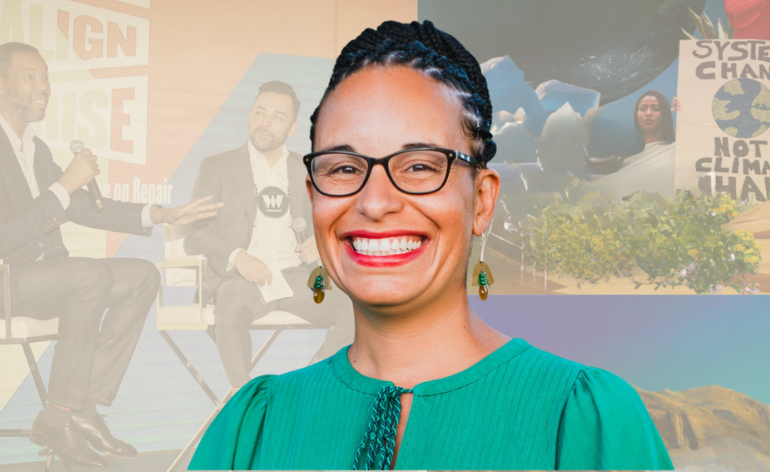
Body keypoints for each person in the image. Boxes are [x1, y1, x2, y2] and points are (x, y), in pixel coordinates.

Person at [188, 21, 673, 470]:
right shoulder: (252, 429)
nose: (375, 202)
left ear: (482, 200)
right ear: (314, 198)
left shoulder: (582, 417)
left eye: (419, 165)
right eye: (343, 168)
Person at [0, 42, 222, 470]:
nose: (43, 86)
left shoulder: (34, 148)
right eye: (30, 76)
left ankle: (80, 407)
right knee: (87, 278)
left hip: (27, 276)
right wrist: (65, 183)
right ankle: (59, 416)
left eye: (45, 76)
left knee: (140, 275)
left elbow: (81, 207)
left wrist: (161, 213)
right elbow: (1, 235)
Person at [184, 81, 354, 389]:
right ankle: (244, 396)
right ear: (249, 117)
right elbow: (195, 234)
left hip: (295, 278)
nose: (265, 122)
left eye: (277, 116)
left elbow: (336, 223)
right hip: (241, 280)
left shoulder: (309, 171)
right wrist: (238, 258)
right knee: (231, 305)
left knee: (355, 308)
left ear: (292, 128)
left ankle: (310, 387)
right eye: (259, 112)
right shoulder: (218, 166)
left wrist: (320, 242)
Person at [591, 90, 677, 199]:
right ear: (636, 116)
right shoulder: (626, 157)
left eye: (656, 109)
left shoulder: (676, 147)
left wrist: (684, 104)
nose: (648, 113)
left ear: (665, 114)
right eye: (643, 109)